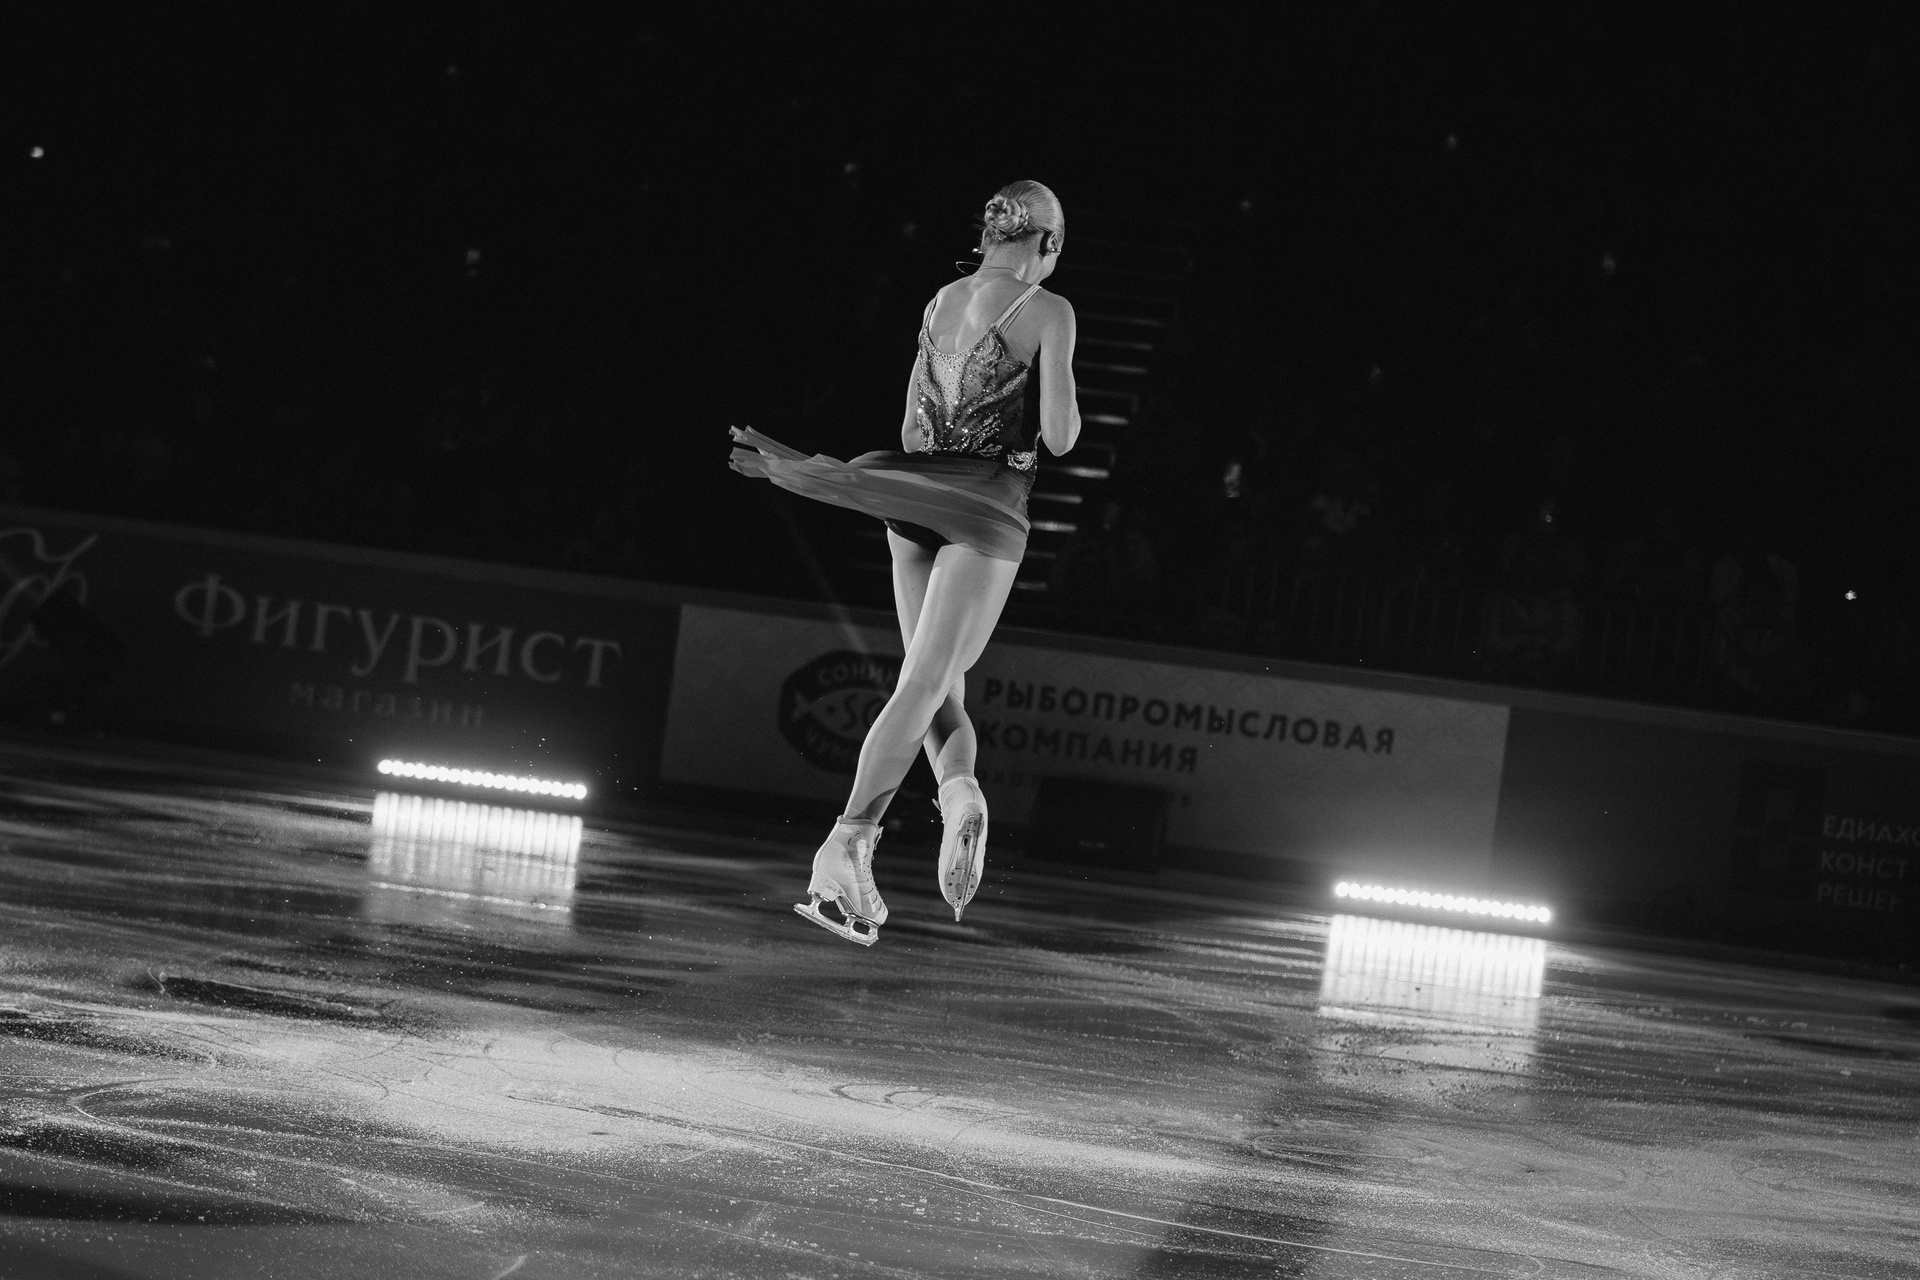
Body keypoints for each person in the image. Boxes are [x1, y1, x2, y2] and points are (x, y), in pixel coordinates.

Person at [730, 181, 1080, 945]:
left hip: (910, 491)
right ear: (1048, 243)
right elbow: (1060, 437)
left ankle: (959, 793)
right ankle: (846, 844)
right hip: (985, 504)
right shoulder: (1049, 309)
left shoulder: (941, 300)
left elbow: (915, 429)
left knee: (935, 681)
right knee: (927, 681)